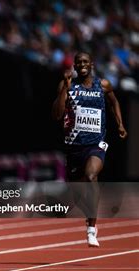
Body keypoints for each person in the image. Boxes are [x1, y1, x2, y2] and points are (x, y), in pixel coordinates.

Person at [52, 51, 127, 247]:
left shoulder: (102, 85)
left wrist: (120, 124)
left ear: (91, 64)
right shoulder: (67, 86)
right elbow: (57, 115)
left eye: (86, 61)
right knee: (76, 196)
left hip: (96, 143)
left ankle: (91, 229)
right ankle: (79, 211)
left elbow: (114, 102)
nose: (82, 65)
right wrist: (64, 90)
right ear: (75, 66)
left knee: (91, 176)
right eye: (79, 62)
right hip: (74, 146)